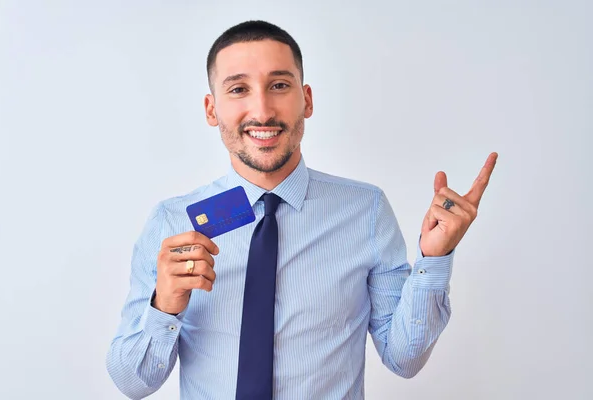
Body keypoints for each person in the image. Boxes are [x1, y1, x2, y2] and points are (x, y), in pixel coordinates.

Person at [106, 19, 497, 400]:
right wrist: (164, 308)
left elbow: (404, 358)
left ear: (306, 99)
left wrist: (435, 256)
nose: (262, 110)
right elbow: (133, 383)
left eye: (278, 85)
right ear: (212, 110)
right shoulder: (172, 222)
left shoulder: (366, 212)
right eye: (239, 89)